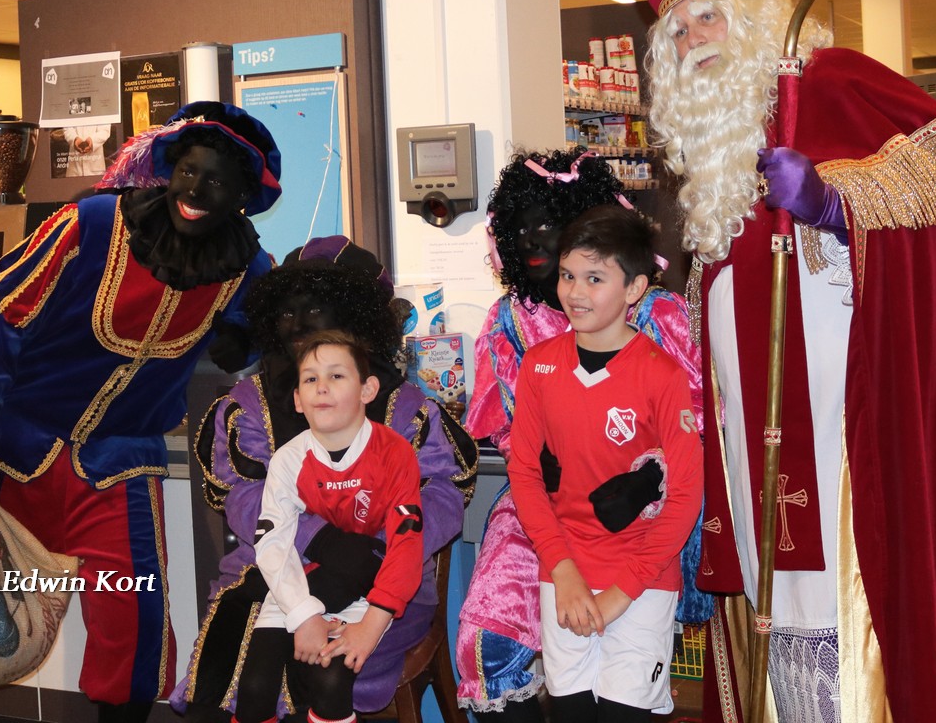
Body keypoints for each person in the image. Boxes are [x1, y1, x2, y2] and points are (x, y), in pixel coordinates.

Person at [632, 0, 936, 723]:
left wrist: (833, 200)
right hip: (750, 444)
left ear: (749, 18)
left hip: (845, 426)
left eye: (708, 17)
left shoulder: (827, 79)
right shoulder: (715, 161)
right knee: (775, 621)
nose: (695, 41)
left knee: (846, 608)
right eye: (678, 31)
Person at [0, 101, 282, 723]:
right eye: (189, 172)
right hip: (15, 457)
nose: (197, 192)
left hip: (120, 469)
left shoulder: (245, 267)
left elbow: (261, 333)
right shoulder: (90, 224)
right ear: (169, 169)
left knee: (135, 628)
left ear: (243, 198)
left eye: (218, 182)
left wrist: (242, 340)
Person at [176, 237, 476, 722]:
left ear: (355, 316)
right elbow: (242, 495)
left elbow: (443, 495)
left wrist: (373, 547)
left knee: (328, 671)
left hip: (384, 578)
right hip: (271, 566)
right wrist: (321, 539)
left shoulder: (406, 406)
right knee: (240, 668)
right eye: (285, 312)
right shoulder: (248, 403)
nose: (296, 325)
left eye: (313, 309)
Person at [454, 149, 706, 723]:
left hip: (639, 548)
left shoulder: (661, 340)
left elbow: (689, 463)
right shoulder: (524, 340)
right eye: (570, 276)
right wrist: (560, 565)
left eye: (594, 278)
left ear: (633, 287)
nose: (575, 290)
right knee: (517, 667)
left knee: (623, 705)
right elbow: (518, 459)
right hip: (553, 537)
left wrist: (648, 479)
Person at [240, 330, 426, 723]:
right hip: (307, 581)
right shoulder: (288, 460)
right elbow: (273, 544)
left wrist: (371, 626)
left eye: (336, 376)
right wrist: (304, 615)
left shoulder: (394, 452)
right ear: (297, 399)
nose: (321, 387)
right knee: (254, 689)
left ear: (367, 389)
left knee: (329, 683)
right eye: (310, 379)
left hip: (373, 586)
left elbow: (406, 546)